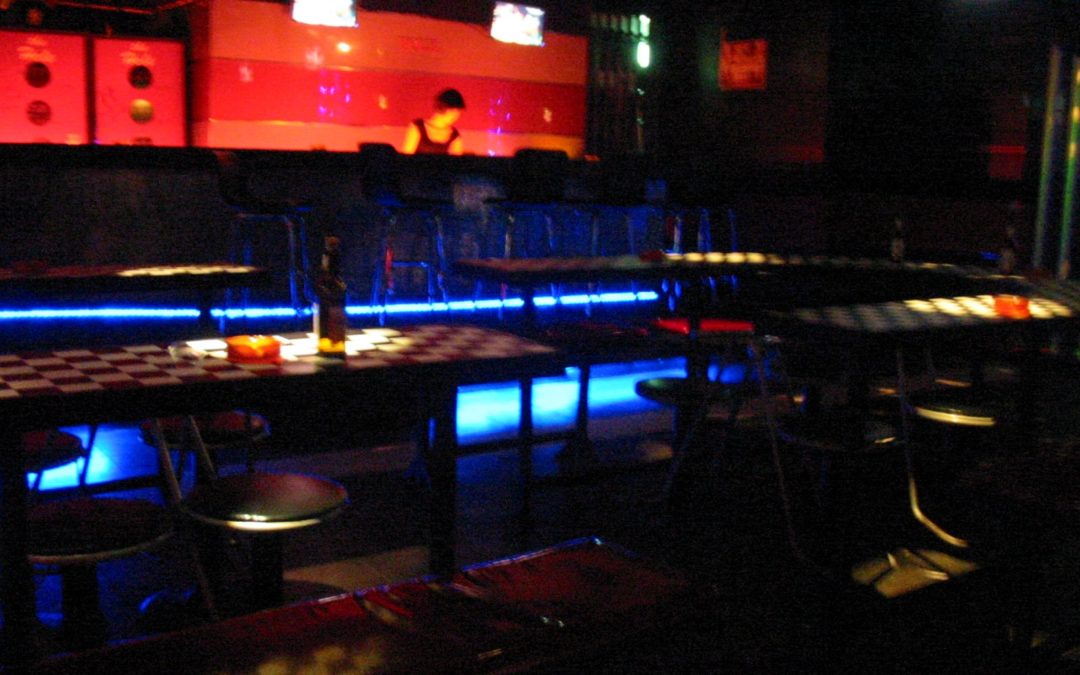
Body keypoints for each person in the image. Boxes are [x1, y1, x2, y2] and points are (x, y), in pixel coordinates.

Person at [402, 88, 465, 155]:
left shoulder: (454, 136)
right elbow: (407, 154)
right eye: (453, 111)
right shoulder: (418, 127)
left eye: (458, 113)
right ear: (442, 107)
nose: (455, 116)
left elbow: (457, 158)